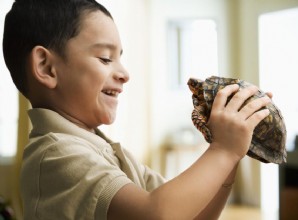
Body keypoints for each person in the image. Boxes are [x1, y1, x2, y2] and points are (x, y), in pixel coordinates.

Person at [2, 0, 272, 219]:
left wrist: (232, 156)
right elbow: (156, 214)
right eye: (105, 58)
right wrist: (224, 149)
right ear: (47, 67)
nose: (124, 73)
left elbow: (194, 214)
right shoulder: (55, 155)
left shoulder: (106, 150)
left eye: (120, 57)